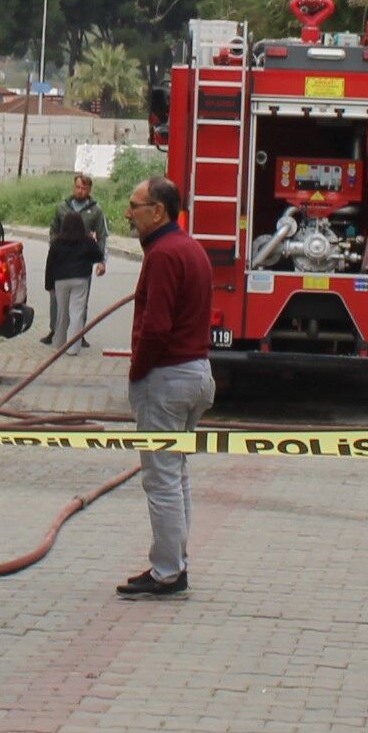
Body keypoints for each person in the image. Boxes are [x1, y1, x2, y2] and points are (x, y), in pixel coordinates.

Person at [118, 175, 215, 598]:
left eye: (135, 206)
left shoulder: (161, 255)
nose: (129, 213)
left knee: (160, 479)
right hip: (197, 375)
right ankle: (175, 562)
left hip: (168, 378)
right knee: (176, 476)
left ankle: (167, 572)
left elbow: (156, 327)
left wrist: (137, 370)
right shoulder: (192, 249)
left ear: (158, 211)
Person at [44, 171, 108, 348]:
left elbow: (103, 236)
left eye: (84, 188)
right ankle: (54, 330)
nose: (80, 191)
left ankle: (79, 334)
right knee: (56, 299)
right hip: (62, 258)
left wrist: (102, 261)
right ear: (74, 187)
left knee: (81, 301)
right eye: (77, 187)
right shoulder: (62, 208)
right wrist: (54, 247)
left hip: (82, 262)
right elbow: (53, 230)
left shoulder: (95, 211)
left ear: (89, 190)